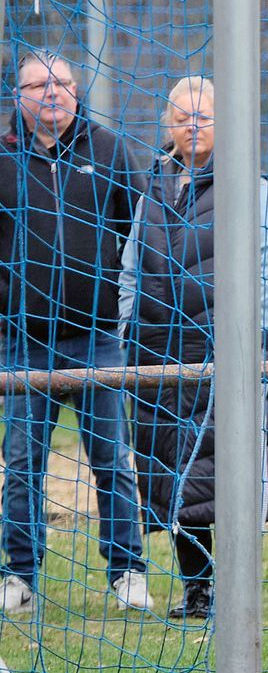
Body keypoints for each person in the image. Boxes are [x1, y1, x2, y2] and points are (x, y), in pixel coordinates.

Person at [118, 75, 268, 619]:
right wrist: (129, 327)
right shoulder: (152, 188)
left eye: (203, 116)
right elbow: (129, 267)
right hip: (157, 356)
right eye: (181, 118)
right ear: (167, 125)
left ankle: (234, 591)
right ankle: (197, 589)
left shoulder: (250, 186)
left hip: (225, 355)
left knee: (228, 470)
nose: (191, 126)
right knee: (171, 476)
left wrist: (243, 332)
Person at [0, 52, 153, 616]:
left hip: (97, 338)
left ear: (76, 89)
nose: (52, 92)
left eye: (61, 82)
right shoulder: (2, 156)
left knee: (112, 461)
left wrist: (124, 306)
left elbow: (142, 231)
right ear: (18, 94)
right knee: (23, 464)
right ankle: (19, 574)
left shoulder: (109, 149)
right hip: (22, 341)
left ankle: (128, 571)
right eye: (38, 84)